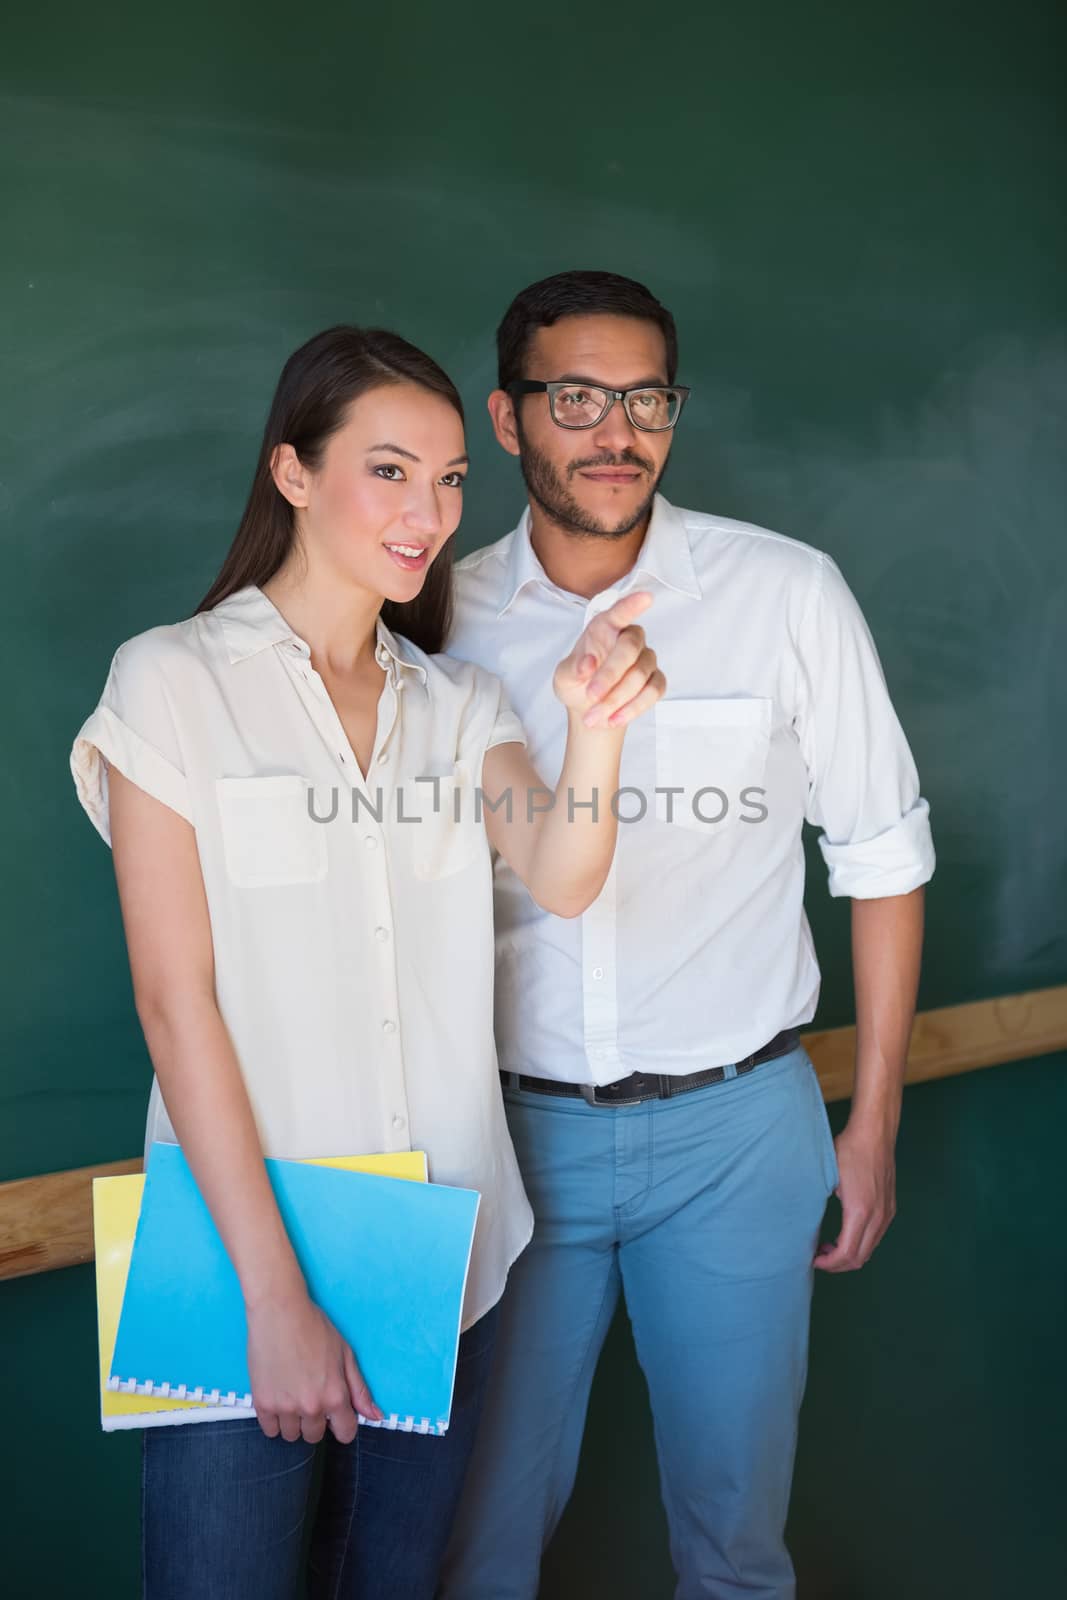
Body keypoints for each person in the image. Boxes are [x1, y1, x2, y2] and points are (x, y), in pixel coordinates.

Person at [69, 324, 665, 1600]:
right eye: (389, 471)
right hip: (238, 1264)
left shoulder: (457, 708)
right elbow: (175, 1006)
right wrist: (276, 1302)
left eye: (451, 479)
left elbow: (563, 874)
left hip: (443, 1257)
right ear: (292, 472)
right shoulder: (171, 683)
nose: (429, 513)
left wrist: (595, 719)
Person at [439, 271, 936, 1600]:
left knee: (731, 1544)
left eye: (645, 397)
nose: (616, 431)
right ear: (505, 419)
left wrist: (872, 1118)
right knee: (469, 1547)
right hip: (504, 1138)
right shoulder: (432, 619)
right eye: (575, 397)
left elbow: (879, 859)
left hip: (736, 1133)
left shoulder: (783, 593)